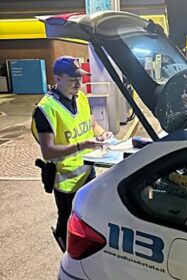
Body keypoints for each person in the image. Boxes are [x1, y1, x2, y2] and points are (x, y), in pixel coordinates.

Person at [31, 56, 113, 250]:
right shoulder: (45, 109)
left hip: (88, 171)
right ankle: (66, 250)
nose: (79, 83)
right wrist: (81, 145)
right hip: (65, 180)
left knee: (88, 217)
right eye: (73, 79)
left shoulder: (81, 97)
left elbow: (92, 123)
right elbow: (48, 151)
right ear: (58, 78)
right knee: (68, 222)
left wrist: (103, 134)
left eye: (81, 77)